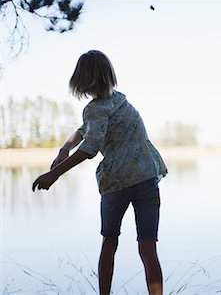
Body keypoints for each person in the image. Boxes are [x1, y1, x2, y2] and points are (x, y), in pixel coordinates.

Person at [32, 50, 168, 295]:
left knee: (109, 243)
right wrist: (64, 147)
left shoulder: (95, 109)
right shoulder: (121, 102)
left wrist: (54, 174)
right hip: (147, 178)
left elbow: (90, 147)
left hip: (118, 183)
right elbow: (86, 130)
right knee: (148, 249)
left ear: (82, 80)